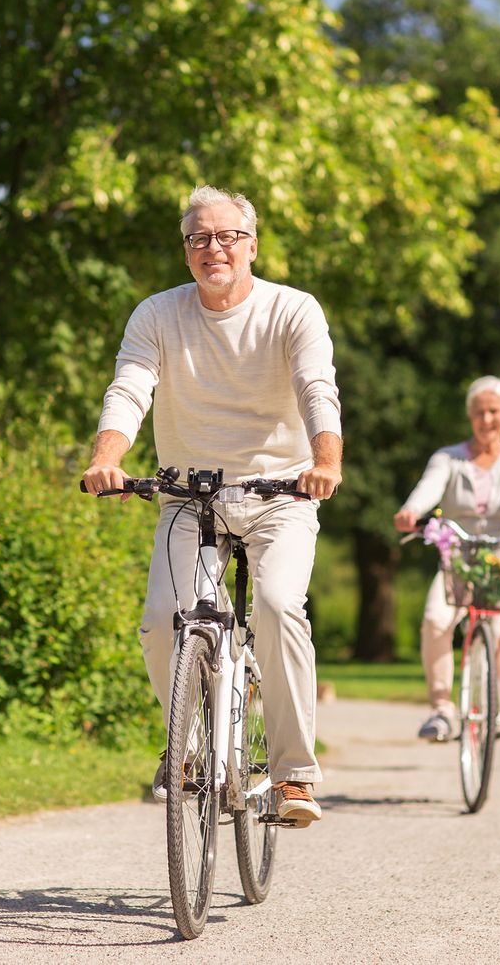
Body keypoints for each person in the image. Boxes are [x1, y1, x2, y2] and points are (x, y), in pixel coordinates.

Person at [82, 185, 343, 827]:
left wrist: (325, 461)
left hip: (281, 493)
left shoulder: (293, 310)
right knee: (162, 619)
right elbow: (130, 386)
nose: (212, 248)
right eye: (198, 238)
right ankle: (190, 749)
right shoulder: (157, 315)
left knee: (280, 607)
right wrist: (105, 457)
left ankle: (292, 777)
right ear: (187, 251)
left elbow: (316, 386)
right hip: (189, 495)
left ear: (251, 245)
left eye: (226, 236)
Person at [391, 376, 500, 748]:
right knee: (436, 620)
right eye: (479, 412)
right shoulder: (448, 458)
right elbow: (428, 488)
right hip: (459, 562)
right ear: (470, 416)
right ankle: (442, 709)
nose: (487, 419)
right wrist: (412, 511)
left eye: (494, 412)